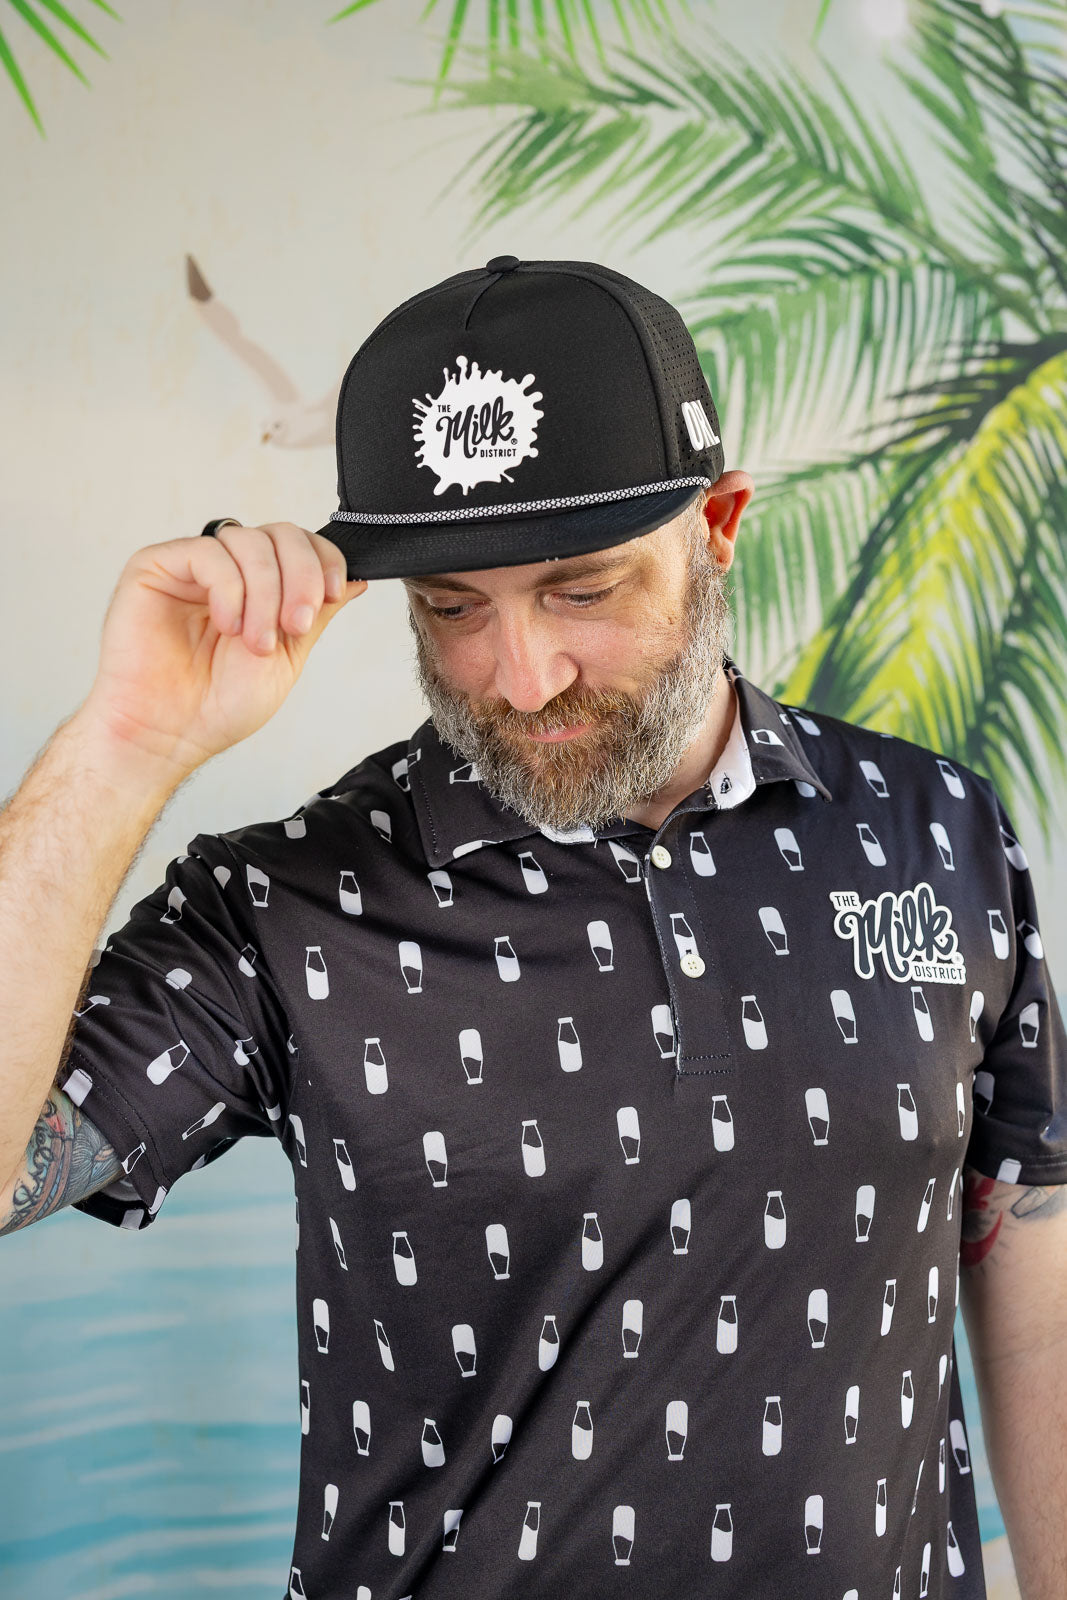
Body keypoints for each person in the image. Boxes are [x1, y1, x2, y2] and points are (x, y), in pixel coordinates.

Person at [1, 256, 1065, 1600]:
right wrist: (124, 743)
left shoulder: (937, 829)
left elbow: (1028, 1248)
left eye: (584, 589)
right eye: (453, 607)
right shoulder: (284, 904)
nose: (523, 676)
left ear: (719, 523)